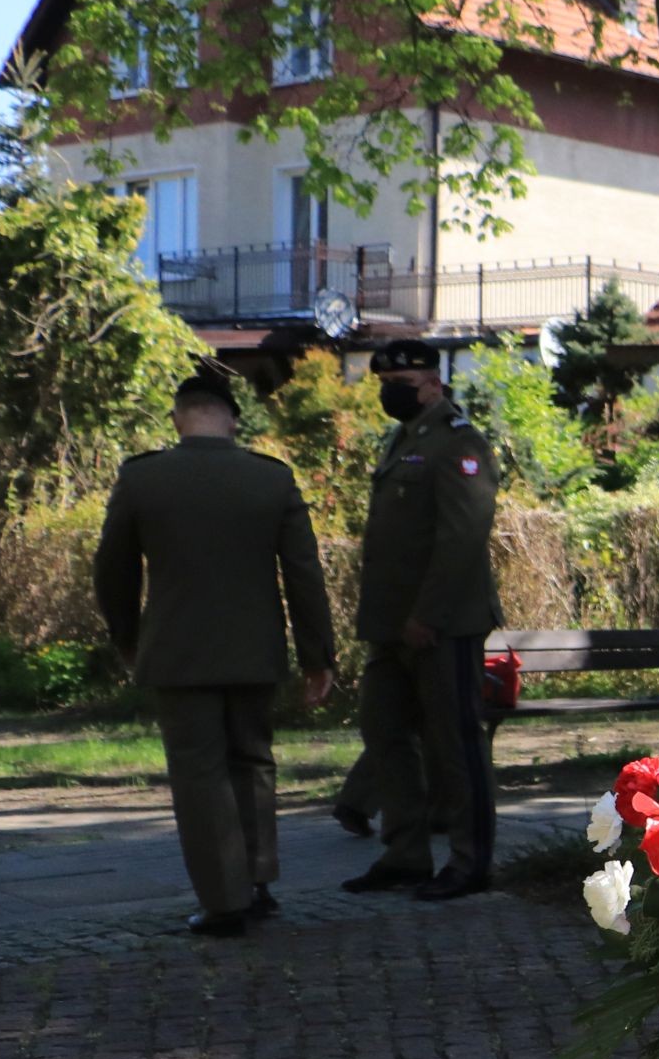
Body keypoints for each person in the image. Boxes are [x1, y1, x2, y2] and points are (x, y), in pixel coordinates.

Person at [93, 368, 337, 937]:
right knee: (253, 762)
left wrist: (128, 638)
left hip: (178, 652)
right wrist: (317, 656)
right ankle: (257, 882)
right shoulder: (271, 480)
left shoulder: (142, 479)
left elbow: (113, 571)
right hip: (256, 651)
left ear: (178, 418)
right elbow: (304, 574)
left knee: (200, 772)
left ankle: (224, 902)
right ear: (232, 419)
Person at [344, 339, 501, 902]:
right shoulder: (405, 439)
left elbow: (463, 535)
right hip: (390, 625)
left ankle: (469, 862)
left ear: (433, 383)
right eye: (385, 384)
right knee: (384, 732)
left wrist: (428, 614)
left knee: (454, 745)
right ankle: (405, 853)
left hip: (444, 623)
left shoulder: (459, 443)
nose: (391, 393)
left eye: (402, 385)